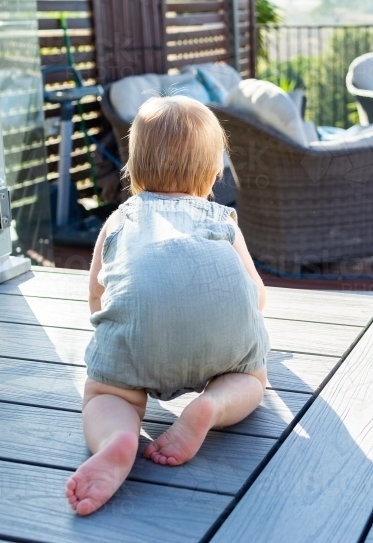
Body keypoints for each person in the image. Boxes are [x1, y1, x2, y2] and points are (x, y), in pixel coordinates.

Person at [65, 96, 269, 516]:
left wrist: (118, 342)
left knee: (107, 392)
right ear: (214, 175)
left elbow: (97, 295)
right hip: (224, 338)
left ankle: (117, 438)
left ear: (132, 170)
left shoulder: (121, 219)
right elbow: (256, 292)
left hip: (139, 336)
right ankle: (211, 406)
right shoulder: (222, 220)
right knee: (250, 378)